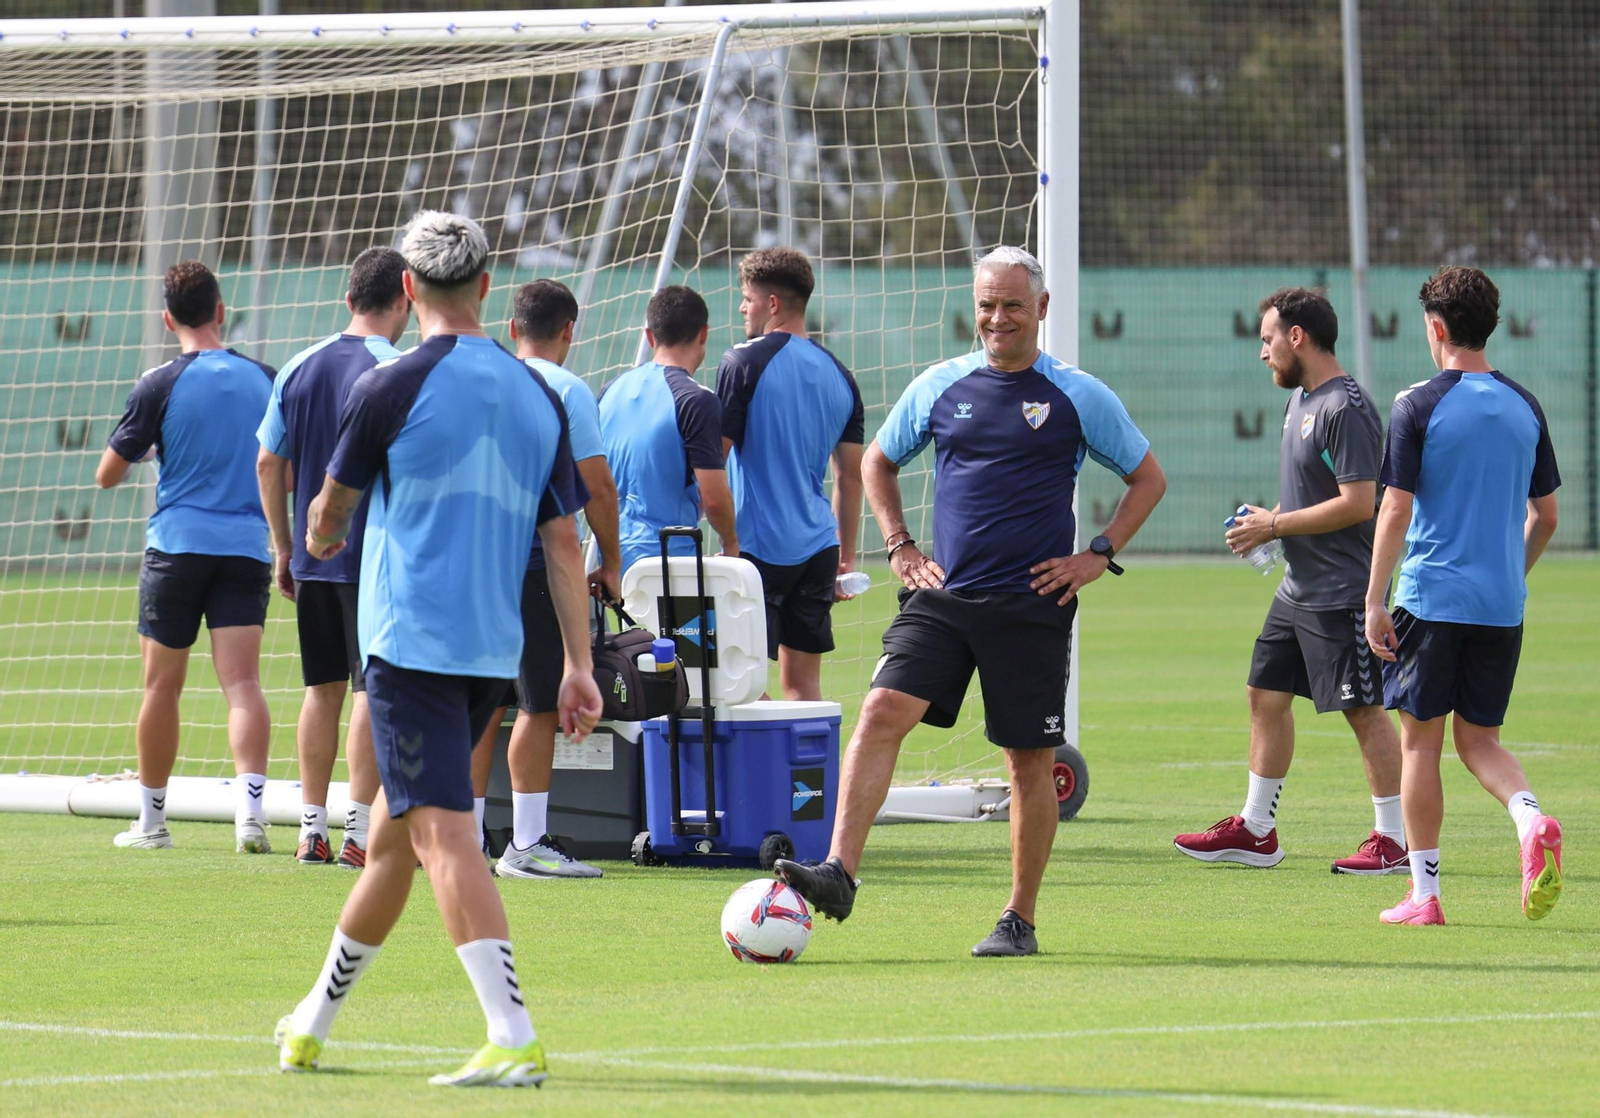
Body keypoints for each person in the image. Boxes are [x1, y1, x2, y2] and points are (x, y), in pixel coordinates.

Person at [274, 212, 602, 1087]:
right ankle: (313, 1019)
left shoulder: (389, 386)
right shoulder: (539, 393)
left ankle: (512, 1032)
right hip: (493, 653)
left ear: (408, 289)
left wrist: (321, 528)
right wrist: (576, 664)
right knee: (390, 842)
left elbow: (328, 518)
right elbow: (564, 543)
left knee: (446, 839)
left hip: (411, 644)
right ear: (487, 287)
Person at [776, 247, 1166, 957]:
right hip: (943, 596)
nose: (998, 317)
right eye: (987, 303)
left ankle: (1019, 919)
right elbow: (877, 462)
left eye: (1013, 304)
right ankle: (839, 873)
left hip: (1031, 606)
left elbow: (1147, 477)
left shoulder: (1078, 395)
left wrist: (1096, 555)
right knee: (880, 711)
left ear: (1041, 309)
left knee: (1027, 761)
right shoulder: (940, 386)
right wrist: (899, 545)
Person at [1174, 288, 1405, 874]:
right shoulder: (1302, 401)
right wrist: (1270, 526)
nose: (1263, 353)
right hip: (1297, 592)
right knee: (1265, 696)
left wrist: (1276, 522)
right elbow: (1311, 493)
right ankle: (1257, 831)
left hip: (1342, 594)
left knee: (1364, 711)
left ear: (1296, 336)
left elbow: (1359, 503)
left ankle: (1395, 841)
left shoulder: (1346, 407)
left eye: (1267, 340)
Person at [1364, 265, 1563, 927]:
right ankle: (1530, 818)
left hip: (1429, 600)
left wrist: (1373, 600)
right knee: (1481, 741)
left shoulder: (1417, 403)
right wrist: (1513, 575)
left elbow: (1395, 508)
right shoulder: (1524, 405)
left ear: (1438, 328)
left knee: (1421, 746)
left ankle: (1426, 894)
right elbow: (1548, 516)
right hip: (1501, 605)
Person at [96, 261, 276, 854]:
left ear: (166, 317)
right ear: (222, 311)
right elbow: (284, 466)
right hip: (247, 548)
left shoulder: (158, 382)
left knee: (161, 688)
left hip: (176, 548)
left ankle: (152, 823)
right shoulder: (265, 380)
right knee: (244, 683)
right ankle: (250, 816)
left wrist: (152, 448)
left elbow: (107, 475)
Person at [256, 247, 410, 867]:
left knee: (320, 690)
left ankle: (309, 830)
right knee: (370, 690)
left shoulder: (297, 366)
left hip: (314, 557)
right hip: (374, 557)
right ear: (405, 297)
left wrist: (283, 547)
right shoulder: (399, 369)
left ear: (348, 301)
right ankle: (358, 834)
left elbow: (269, 461)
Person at [464, 279, 622, 881]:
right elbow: (597, 486)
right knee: (536, 702)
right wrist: (608, 559)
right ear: (568, 332)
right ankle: (526, 844)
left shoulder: (486, 381)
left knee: (485, 701)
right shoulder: (566, 388)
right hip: (534, 563)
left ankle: (467, 835)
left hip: (478, 563)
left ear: (511, 329)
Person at [716, 248, 865, 701]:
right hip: (820, 547)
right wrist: (846, 558)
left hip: (756, 549)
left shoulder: (741, 363)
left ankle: (757, 775)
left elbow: (713, 462)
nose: (743, 307)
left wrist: (725, 545)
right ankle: (808, 775)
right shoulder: (841, 375)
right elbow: (850, 478)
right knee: (804, 687)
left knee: (739, 687)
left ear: (773, 303)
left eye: (747, 298)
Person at [599, 285, 737, 574]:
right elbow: (713, 497)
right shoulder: (696, 399)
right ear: (704, 333)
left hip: (615, 559)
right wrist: (731, 544)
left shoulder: (609, 391)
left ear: (650, 336)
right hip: (669, 563)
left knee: (634, 623)